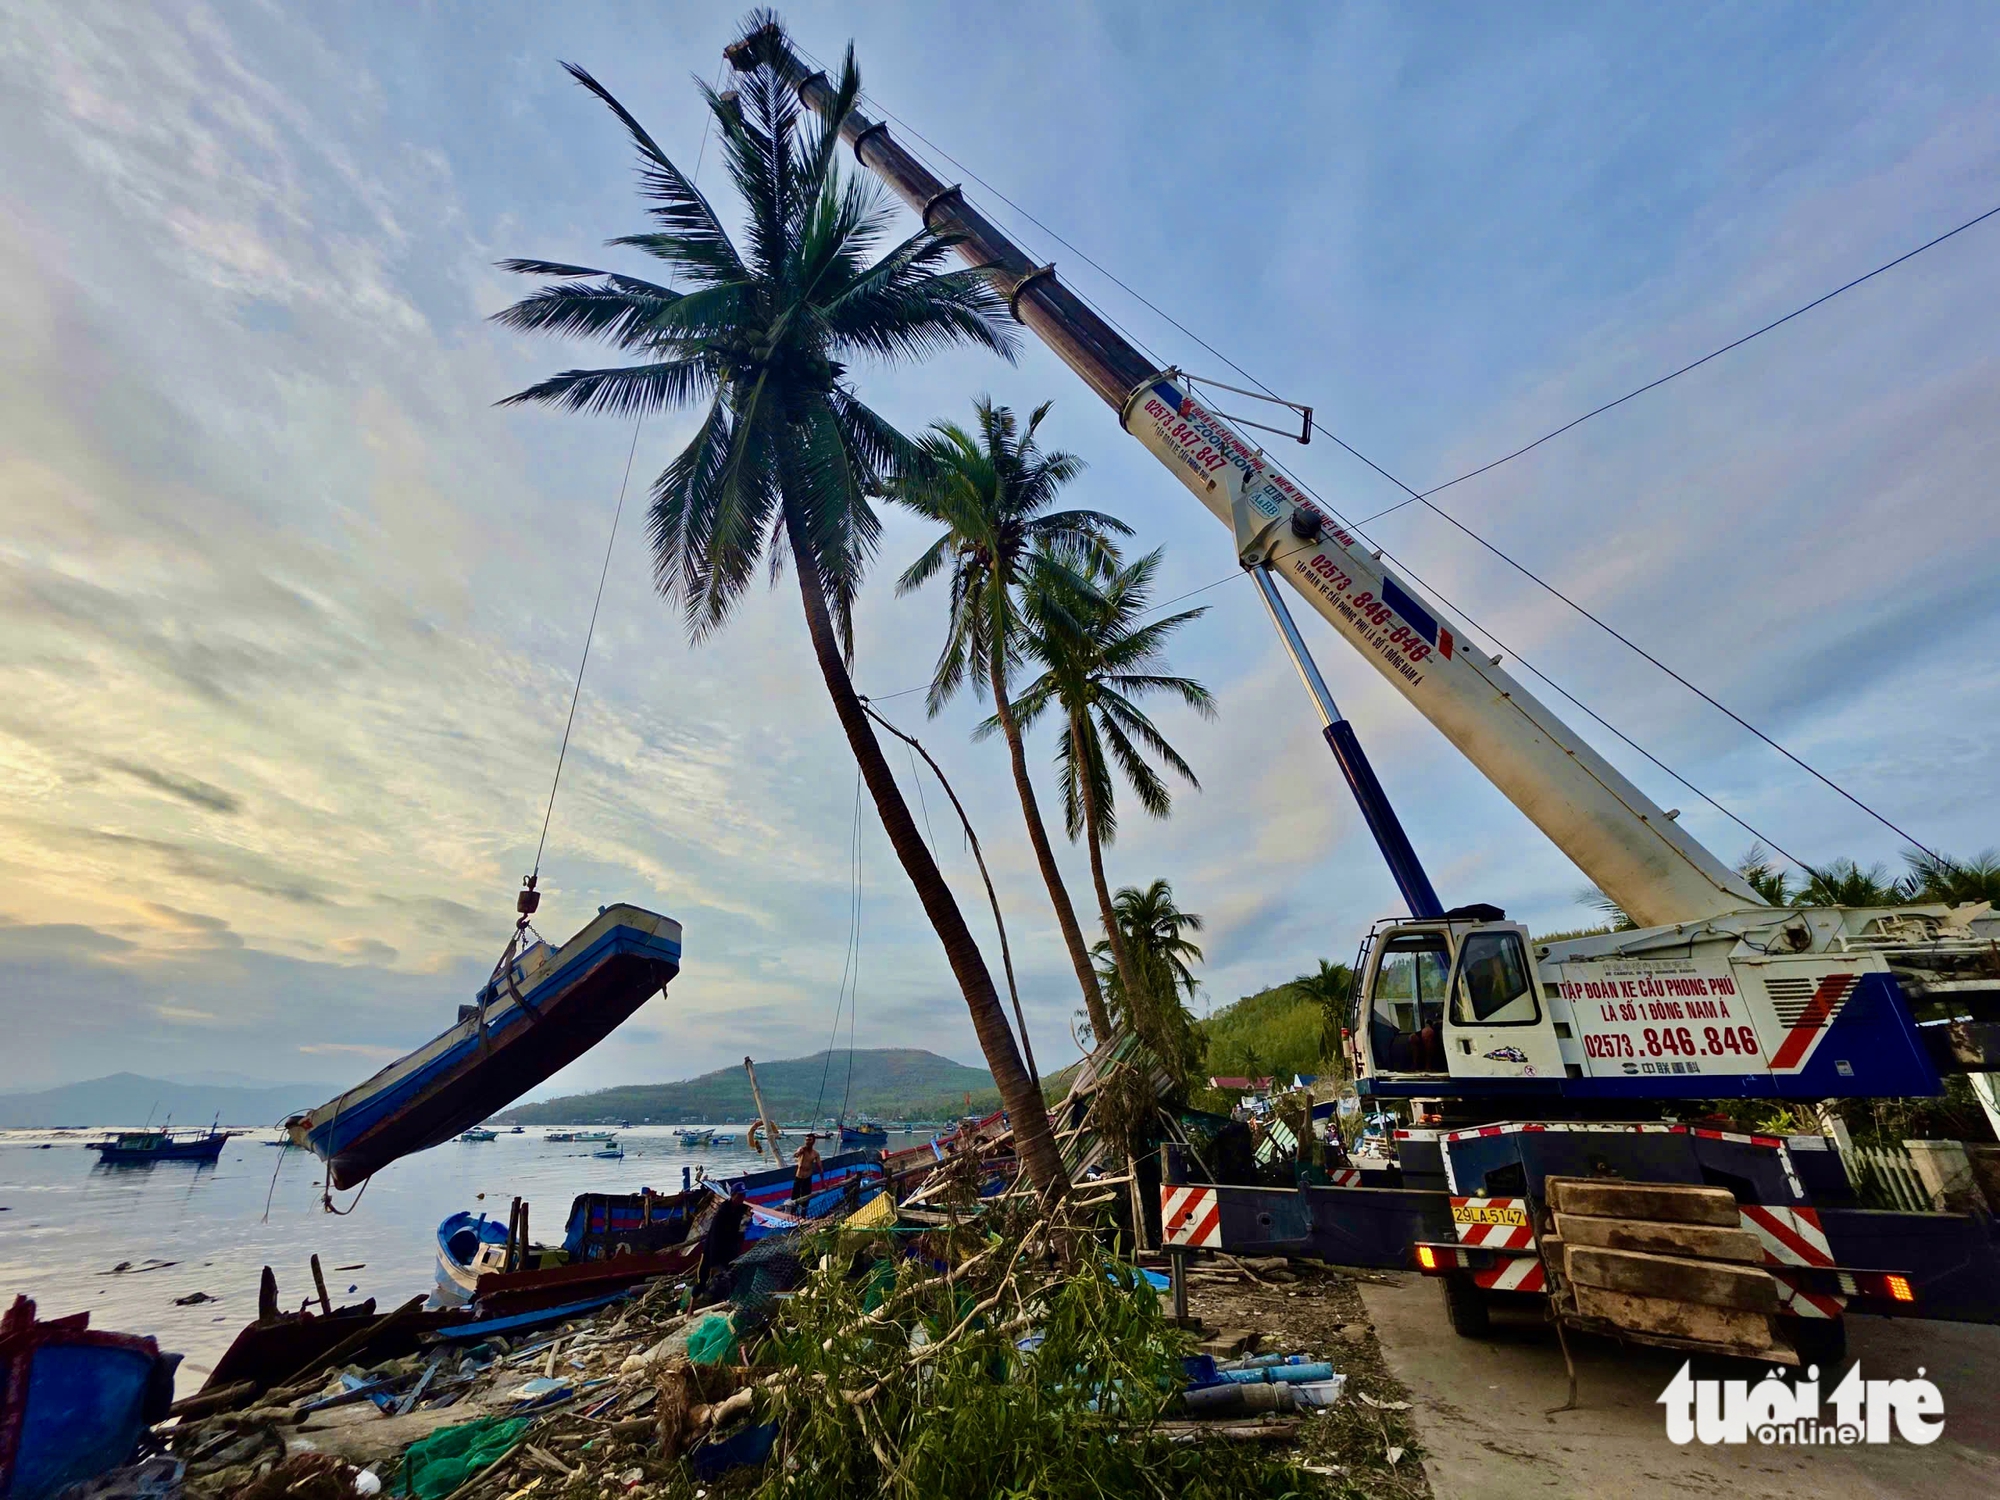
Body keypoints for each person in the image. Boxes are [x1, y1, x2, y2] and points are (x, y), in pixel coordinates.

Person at [697, 1184, 750, 1296]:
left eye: (743, 1195)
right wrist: (714, 1262)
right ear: (732, 1195)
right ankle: (692, 1307)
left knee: (730, 1278)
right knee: (703, 1280)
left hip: (729, 1251)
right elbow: (714, 1238)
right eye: (739, 1196)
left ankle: (725, 1298)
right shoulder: (722, 1213)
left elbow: (739, 1233)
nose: (742, 1198)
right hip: (714, 1252)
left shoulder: (740, 1210)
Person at [790, 1133, 822, 1213]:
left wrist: (823, 1181)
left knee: (806, 1199)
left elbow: (819, 1167)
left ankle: (803, 1216)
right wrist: (798, 1153)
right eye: (806, 1140)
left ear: (813, 1141)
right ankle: (792, 1214)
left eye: (809, 1140)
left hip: (807, 1178)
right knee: (795, 1198)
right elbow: (795, 1155)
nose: (807, 1142)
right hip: (799, 1178)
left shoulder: (815, 1154)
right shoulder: (802, 1149)